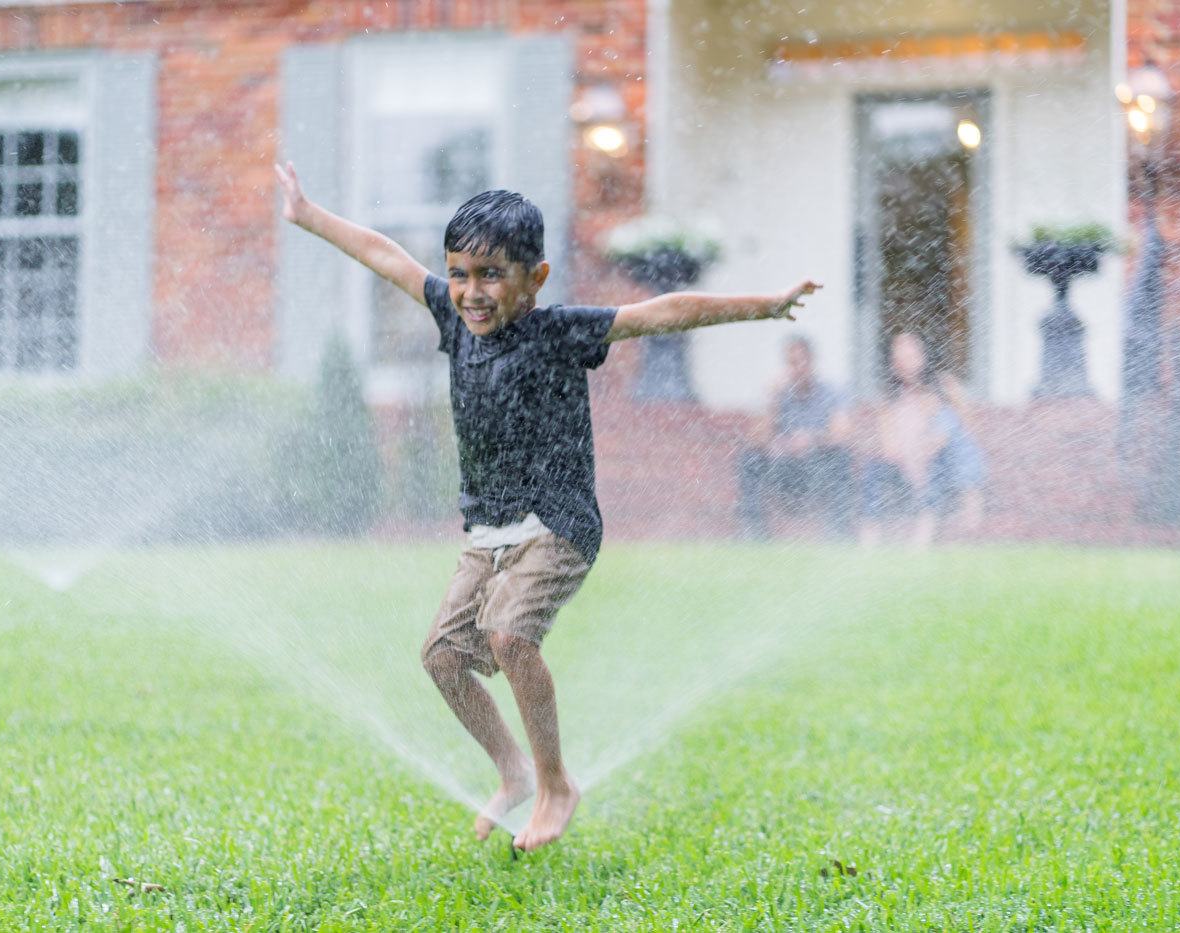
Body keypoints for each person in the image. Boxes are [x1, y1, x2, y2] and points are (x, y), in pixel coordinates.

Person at [275, 161, 819, 851]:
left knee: (509, 634)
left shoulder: (558, 330)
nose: (471, 292)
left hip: (558, 521)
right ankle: (514, 771)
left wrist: (764, 306)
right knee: (443, 656)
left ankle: (557, 782)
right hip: (489, 527)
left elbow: (663, 311)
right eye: (460, 273)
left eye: (491, 274)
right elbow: (386, 256)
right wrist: (308, 213)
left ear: (535, 278)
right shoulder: (451, 310)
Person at [858, 332, 985, 548]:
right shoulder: (888, 399)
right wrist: (914, 453)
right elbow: (890, 448)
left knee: (948, 423)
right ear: (892, 361)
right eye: (900, 354)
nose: (906, 358)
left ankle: (931, 526)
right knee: (874, 468)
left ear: (924, 354)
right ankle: (870, 535)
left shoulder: (943, 385)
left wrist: (932, 441)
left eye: (912, 352)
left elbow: (970, 428)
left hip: (945, 463)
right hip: (905, 465)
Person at [736, 337, 854, 538]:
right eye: (792, 362)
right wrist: (771, 400)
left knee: (841, 459)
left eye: (802, 361)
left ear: (812, 362)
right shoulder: (778, 394)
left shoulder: (831, 392)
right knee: (750, 459)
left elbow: (842, 434)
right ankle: (754, 533)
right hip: (783, 468)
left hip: (817, 468)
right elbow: (756, 440)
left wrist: (812, 439)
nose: (798, 368)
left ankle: (837, 533)